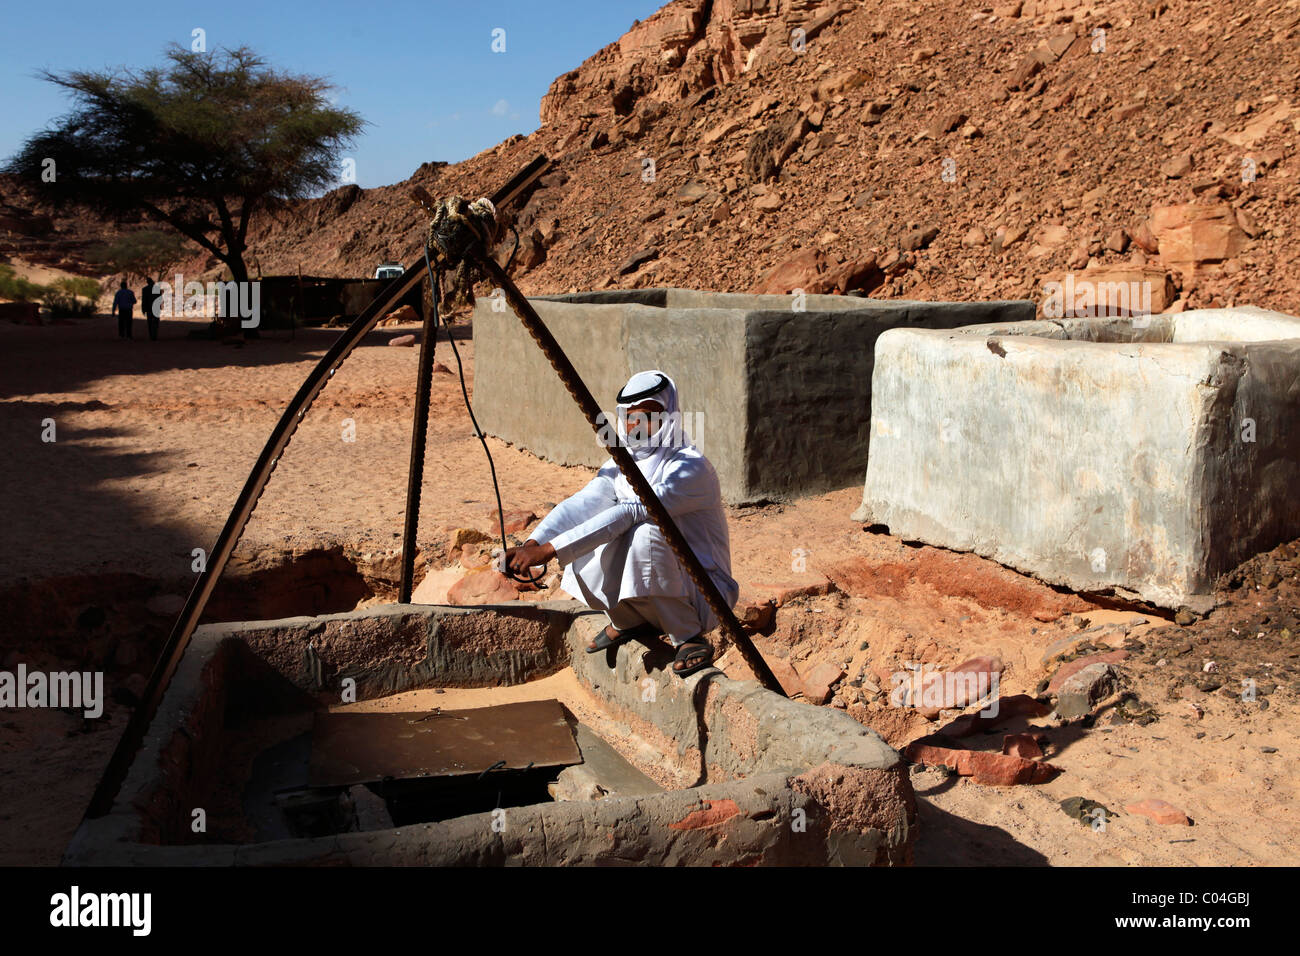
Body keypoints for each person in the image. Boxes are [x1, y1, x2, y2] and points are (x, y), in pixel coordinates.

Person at [504, 370, 738, 679]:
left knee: (647, 533)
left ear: (668, 416)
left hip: (704, 593)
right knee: (592, 533)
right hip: (662, 586)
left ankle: (687, 637)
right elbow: (584, 503)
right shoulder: (620, 463)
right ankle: (629, 619)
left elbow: (634, 511)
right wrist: (535, 541)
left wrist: (551, 550)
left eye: (649, 416)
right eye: (630, 417)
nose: (637, 426)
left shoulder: (689, 466)